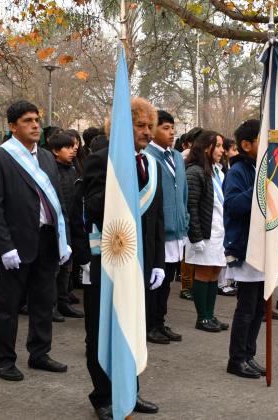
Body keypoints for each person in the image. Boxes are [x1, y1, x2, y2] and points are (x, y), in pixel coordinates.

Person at [80, 96, 163, 419]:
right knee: (102, 328)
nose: (145, 131)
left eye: (148, 126)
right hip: (110, 260)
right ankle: (102, 396)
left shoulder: (151, 163)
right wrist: (122, 177)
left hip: (141, 262)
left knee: (133, 326)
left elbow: (156, 219)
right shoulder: (101, 160)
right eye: (138, 125)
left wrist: (157, 262)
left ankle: (129, 391)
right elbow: (94, 206)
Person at [0, 100, 71, 382]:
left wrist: (63, 237)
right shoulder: (0, 157)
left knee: (45, 300)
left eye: (36, 119)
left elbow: (57, 201)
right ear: (12, 126)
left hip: (46, 240)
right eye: (27, 121)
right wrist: (4, 246)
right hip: (16, 244)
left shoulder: (46, 157)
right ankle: (4, 359)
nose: (35, 125)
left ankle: (40, 352)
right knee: (7, 306)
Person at [224, 119, 267, 379]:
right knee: (247, 307)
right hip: (246, 246)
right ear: (246, 145)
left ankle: (249, 354)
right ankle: (236, 358)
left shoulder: (261, 167)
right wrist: (260, 186)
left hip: (263, 246)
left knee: (260, 308)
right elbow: (234, 205)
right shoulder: (238, 171)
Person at [143, 110, 187, 344]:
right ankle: (149, 324)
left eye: (173, 128)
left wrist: (185, 219)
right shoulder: (148, 156)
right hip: (159, 232)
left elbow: (184, 192)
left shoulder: (177, 157)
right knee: (154, 280)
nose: (171, 133)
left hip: (176, 231)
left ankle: (160, 321)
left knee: (167, 280)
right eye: (165, 128)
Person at [185, 130, 229, 333]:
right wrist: (195, 236)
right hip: (204, 231)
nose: (222, 150)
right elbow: (191, 205)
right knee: (203, 272)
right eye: (217, 146)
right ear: (205, 147)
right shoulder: (195, 171)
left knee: (215, 271)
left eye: (222, 146)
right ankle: (202, 317)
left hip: (218, 231)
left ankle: (210, 315)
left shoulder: (217, 170)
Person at [47, 130, 85, 320]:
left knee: (67, 266)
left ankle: (63, 302)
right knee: (55, 267)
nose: (73, 151)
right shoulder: (51, 170)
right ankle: (51, 305)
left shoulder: (73, 168)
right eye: (68, 147)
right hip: (57, 224)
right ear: (55, 151)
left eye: (74, 147)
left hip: (72, 222)